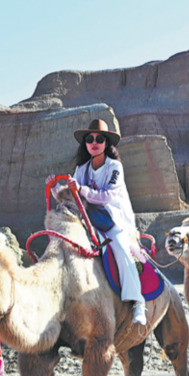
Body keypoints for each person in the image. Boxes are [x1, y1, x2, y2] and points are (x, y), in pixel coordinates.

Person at [66, 118, 147, 328]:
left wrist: (81, 190)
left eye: (99, 139)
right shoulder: (82, 169)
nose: (94, 142)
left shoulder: (114, 168)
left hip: (111, 221)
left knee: (120, 249)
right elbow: (70, 194)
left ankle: (138, 302)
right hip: (87, 220)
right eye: (90, 139)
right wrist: (56, 187)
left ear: (106, 143)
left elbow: (107, 197)